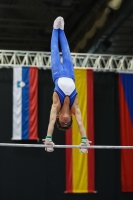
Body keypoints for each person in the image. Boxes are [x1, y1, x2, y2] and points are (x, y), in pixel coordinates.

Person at [43, 16, 91, 153]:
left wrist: (48, 139)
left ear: (59, 117)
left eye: (62, 123)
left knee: (54, 51)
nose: (65, 121)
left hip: (57, 74)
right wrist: (84, 140)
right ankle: (62, 30)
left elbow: (51, 121)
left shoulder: (56, 105)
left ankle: (55, 29)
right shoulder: (75, 108)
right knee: (66, 51)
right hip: (70, 74)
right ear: (70, 118)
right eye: (68, 122)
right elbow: (80, 123)